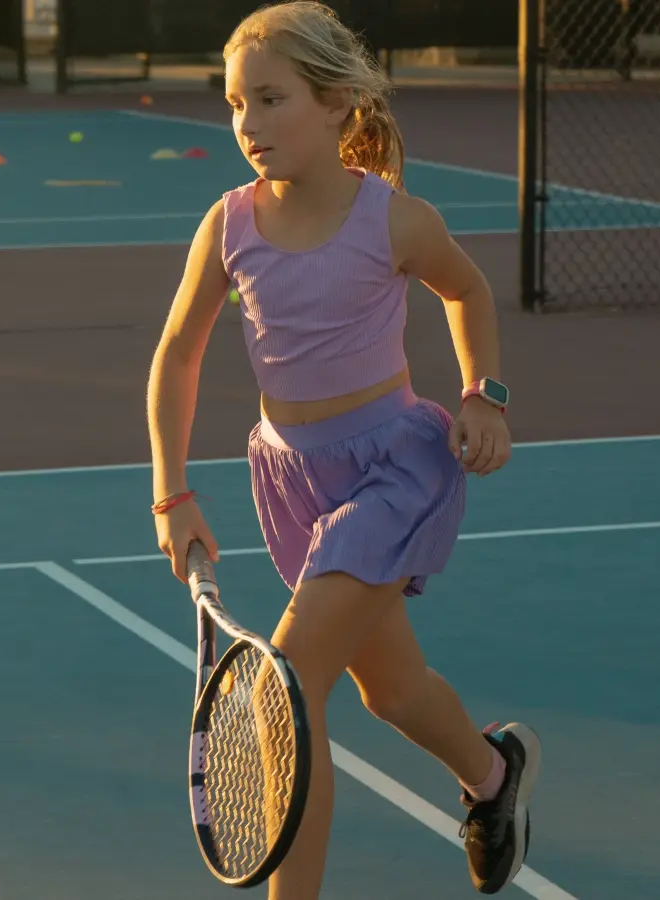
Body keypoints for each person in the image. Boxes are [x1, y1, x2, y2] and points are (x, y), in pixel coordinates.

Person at [145, 2, 541, 896]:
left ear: (335, 105)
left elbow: (467, 290)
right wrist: (172, 493)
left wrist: (484, 395)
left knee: (283, 691)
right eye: (235, 103)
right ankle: (494, 775)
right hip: (294, 481)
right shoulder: (228, 224)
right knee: (390, 691)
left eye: (270, 99)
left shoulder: (392, 220)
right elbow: (177, 355)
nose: (248, 123)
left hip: (394, 472)